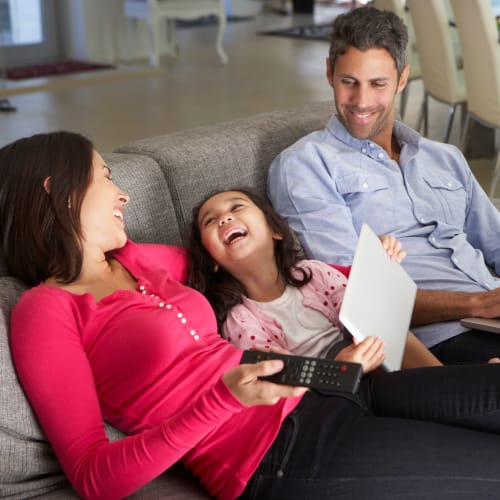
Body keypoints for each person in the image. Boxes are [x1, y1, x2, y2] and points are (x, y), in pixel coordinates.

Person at [4, 132, 500, 500]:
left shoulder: (136, 258)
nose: (122, 195)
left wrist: (367, 267)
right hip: (278, 456)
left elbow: (257, 261)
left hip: (331, 386)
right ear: (59, 191)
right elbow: (93, 476)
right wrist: (220, 400)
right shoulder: (45, 311)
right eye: (105, 177)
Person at [268, 5, 500, 365]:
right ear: (329, 73)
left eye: (378, 84)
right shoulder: (306, 165)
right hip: (440, 340)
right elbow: (356, 296)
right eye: (349, 82)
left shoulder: (444, 157)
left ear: (402, 78)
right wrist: (478, 303)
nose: (361, 102)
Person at [188, 188, 441, 372]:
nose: (225, 218)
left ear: (275, 231)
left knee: (387, 334)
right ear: (213, 260)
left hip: (365, 350)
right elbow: (280, 378)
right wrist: (341, 368)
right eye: (210, 220)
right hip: (329, 387)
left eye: (237, 207)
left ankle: (446, 380)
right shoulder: (240, 320)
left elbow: (362, 312)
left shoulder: (314, 272)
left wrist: (381, 267)